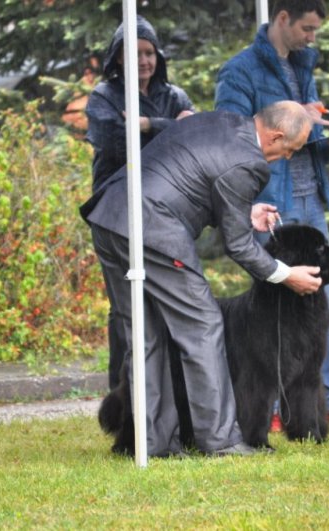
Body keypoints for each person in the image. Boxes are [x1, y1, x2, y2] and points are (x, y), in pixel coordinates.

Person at [81, 101, 321, 457]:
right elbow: (239, 246)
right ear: (276, 135)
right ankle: (221, 441)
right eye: (290, 150)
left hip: (112, 216)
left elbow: (193, 176)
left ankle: (153, 443)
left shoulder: (221, 121)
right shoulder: (250, 162)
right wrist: (286, 275)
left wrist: (243, 210)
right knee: (204, 324)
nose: (286, 158)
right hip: (152, 226)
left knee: (148, 333)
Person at [215, 0, 329, 425]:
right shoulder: (239, 71)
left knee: (320, 306)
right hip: (270, 203)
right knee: (274, 306)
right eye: (308, 28)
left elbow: (304, 136)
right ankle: (271, 406)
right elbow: (233, 136)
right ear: (282, 19)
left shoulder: (303, 68)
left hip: (309, 197)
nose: (312, 37)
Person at [85, 15, 194, 389]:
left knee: (166, 303)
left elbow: (192, 142)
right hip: (117, 211)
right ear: (118, 58)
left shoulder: (174, 95)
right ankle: (124, 394)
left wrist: (147, 125)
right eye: (135, 54)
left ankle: (167, 389)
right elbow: (115, 145)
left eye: (150, 53)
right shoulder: (103, 97)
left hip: (165, 210)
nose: (144, 61)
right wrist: (169, 126)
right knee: (126, 309)